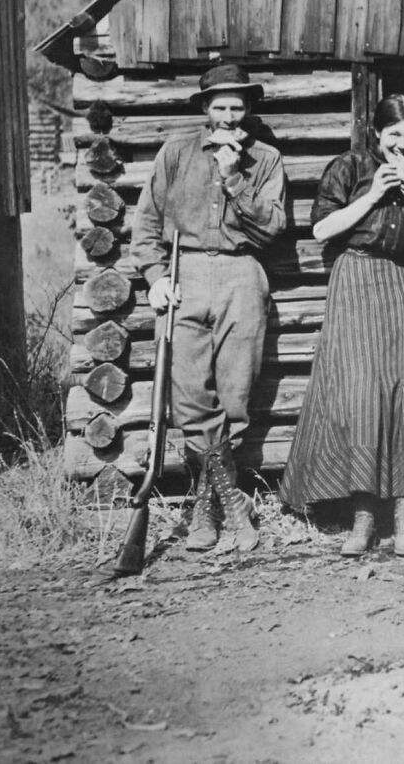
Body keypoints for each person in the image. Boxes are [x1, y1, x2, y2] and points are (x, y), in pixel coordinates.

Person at [280, 93, 404, 557]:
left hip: (398, 280)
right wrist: (373, 194)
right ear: (377, 132)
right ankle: (364, 513)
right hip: (353, 276)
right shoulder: (349, 167)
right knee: (360, 393)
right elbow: (320, 230)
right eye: (395, 134)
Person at [131, 64, 286, 552]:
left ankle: (206, 507)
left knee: (235, 396)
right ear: (205, 110)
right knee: (190, 396)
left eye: (238, 106)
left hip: (243, 275)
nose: (229, 115)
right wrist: (156, 279)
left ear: (249, 110)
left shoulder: (265, 159)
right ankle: (233, 506)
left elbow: (272, 228)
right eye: (219, 106)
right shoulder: (175, 155)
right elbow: (147, 225)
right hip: (187, 277)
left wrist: (233, 178)